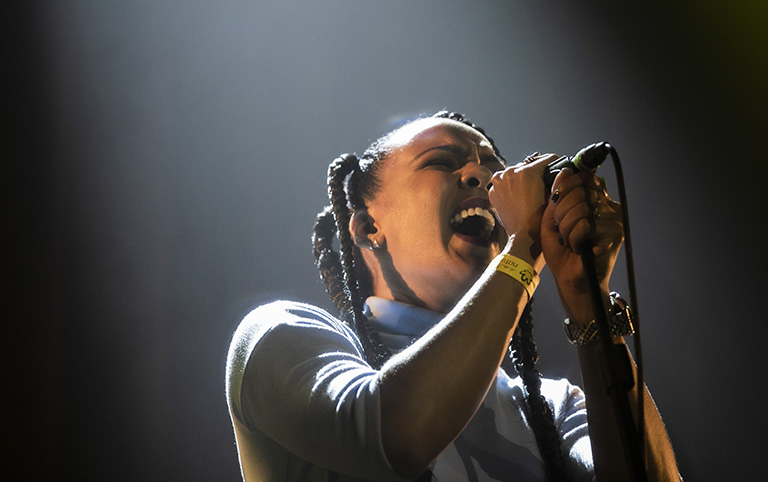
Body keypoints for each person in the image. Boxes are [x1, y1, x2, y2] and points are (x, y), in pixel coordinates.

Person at [225, 111, 680, 481]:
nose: (481, 174)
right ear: (368, 228)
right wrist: (522, 250)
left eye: (493, 168)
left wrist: (588, 299)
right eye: (442, 161)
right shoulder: (281, 335)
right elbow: (394, 437)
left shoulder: (554, 408)